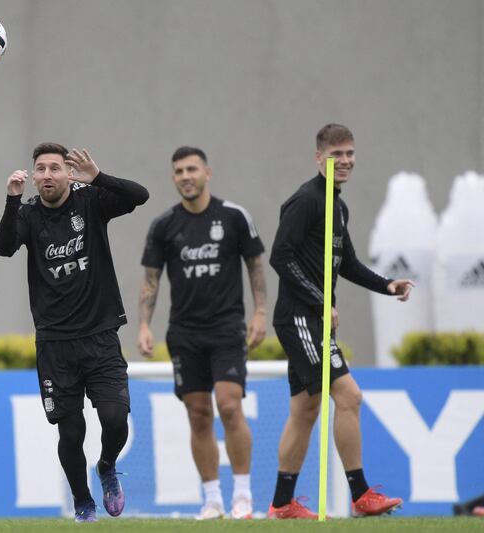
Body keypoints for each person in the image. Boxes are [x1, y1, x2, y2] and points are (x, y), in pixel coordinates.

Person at [0, 143, 149, 522]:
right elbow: (3, 248)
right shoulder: (28, 212)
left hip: (100, 334)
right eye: (41, 169)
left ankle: (107, 466)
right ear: (34, 176)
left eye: (55, 168)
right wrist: (11, 201)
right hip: (54, 343)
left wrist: (98, 176)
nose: (47, 175)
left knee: (114, 419)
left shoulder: (90, 200)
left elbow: (139, 196)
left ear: (68, 173)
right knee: (70, 430)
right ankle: (83, 504)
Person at [267, 124, 414, 519]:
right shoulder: (306, 201)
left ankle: (281, 504)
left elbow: (345, 263)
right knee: (349, 396)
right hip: (300, 318)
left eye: (350, 153)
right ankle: (361, 494)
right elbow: (280, 257)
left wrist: (387, 285)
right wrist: (319, 302)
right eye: (337, 155)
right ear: (319, 158)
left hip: (313, 318)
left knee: (305, 410)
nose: (345, 160)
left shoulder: (338, 205)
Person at [137, 146, 267, 520]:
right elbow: (151, 280)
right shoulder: (164, 226)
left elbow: (255, 266)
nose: (185, 176)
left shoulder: (234, 217)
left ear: (207, 172)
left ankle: (243, 495)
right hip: (184, 332)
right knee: (198, 414)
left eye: (192, 169)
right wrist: (145, 324)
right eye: (178, 171)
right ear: (173, 177)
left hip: (227, 327)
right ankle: (212, 500)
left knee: (229, 405)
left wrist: (259, 313)